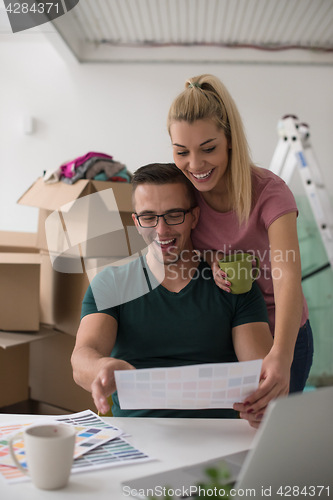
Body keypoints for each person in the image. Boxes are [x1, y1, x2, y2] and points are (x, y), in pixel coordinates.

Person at [71, 163, 273, 422]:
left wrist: (262, 403)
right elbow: (82, 357)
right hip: (138, 439)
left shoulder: (232, 285)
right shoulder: (110, 285)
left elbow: (259, 374)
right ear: (136, 221)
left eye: (174, 214)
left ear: (194, 217)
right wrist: (100, 367)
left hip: (217, 441)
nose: (161, 230)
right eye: (148, 217)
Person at [167, 74, 313, 425]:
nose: (196, 165)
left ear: (230, 141)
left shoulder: (270, 193)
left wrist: (281, 354)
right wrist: (211, 257)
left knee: (269, 441)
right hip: (224, 333)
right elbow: (177, 250)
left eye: (208, 148)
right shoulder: (184, 194)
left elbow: (288, 275)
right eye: (181, 152)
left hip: (282, 333)